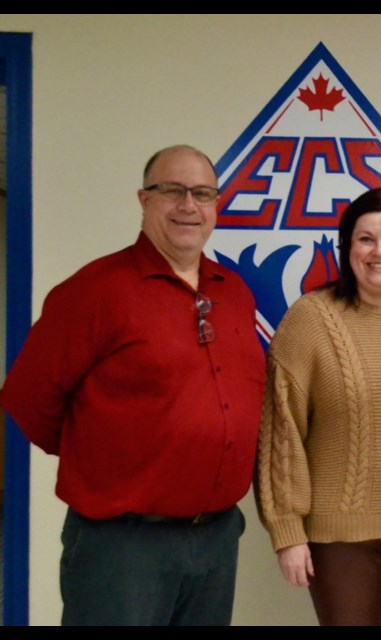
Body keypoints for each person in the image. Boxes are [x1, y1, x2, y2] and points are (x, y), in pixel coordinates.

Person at [0, 145, 265, 625]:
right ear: (144, 200)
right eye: (173, 191)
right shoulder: (94, 291)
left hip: (216, 540)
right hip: (122, 546)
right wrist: (102, 453)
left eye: (202, 193)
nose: (189, 205)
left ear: (216, 206)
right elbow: (27, 397)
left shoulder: (234, 291)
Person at [256, 186, 381, 626]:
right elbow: (282, 429)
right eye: (365, 239)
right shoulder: (311, 318)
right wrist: (287, 530)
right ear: (345, 247)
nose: (378, 252)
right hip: (342, 534)